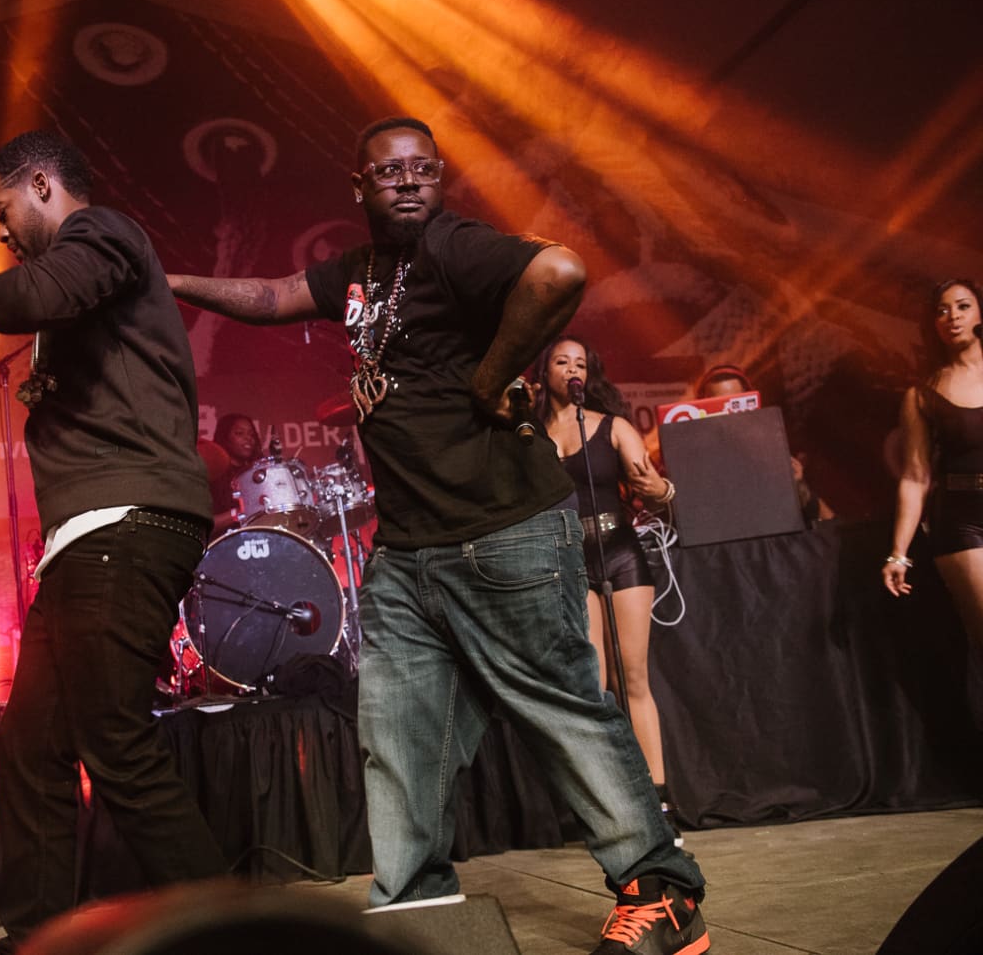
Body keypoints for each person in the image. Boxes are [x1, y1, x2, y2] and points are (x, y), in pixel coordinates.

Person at [170, 116, 709, 955]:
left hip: (503, 532)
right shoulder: (359, 272)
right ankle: (417, 907)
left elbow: (562, 271)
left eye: (423, 169)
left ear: (440, 176)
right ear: (360, 185)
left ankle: (663, 894)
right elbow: (274, 297)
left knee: (563, 712)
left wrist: (490, 377)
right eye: (390, 172)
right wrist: (170, 280)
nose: (410, 182)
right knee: (399, 738)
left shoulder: (456, 247)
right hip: (407, 552)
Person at [0, 130, 227, 951]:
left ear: (43, 184)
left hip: (126, 523)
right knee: (31, 749)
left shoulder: (102, 232)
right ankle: (36, 940)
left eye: (4, 209)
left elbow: (37, 293)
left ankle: (241, 934)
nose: (2, 230)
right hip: (89, 538)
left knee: (114, 741)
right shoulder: (85, 277)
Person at [537, 336, 680, 838]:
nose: (571, 369)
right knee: (592, 687)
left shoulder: (612, 426)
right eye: (562, 361)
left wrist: (661, 490)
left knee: (632, 679)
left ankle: (660, 803)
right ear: (545, 373)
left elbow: (655, 489)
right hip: (570, 559)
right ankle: (612, 804)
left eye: (580, 363)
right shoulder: (530, 434)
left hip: (620, 554)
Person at [883, 278, 983, 649]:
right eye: (942, 311)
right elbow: (915, 477)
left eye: (963, 306)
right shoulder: (922, 395)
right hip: (963, 520)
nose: (953, 316)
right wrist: (899, 554)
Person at [692, 364, 833, 523]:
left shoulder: (775, 455)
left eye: (735, 404)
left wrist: (799, 488)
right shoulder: (692, 463)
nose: (728, 415)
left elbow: (832, 525)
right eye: (717, 406)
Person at [204, 412, 262, 538]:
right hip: (223, 544)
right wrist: (239, 513)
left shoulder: (258, 474)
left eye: (252, 434)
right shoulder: (212, 474)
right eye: (239, 433)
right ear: (225, 437)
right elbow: (203, 525)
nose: (248, 438)